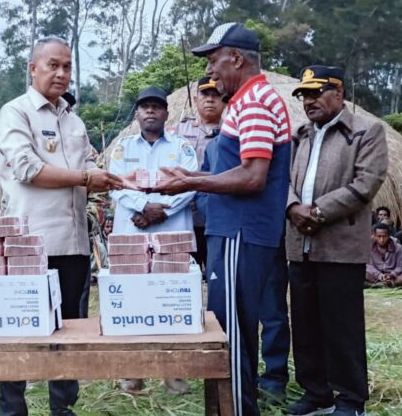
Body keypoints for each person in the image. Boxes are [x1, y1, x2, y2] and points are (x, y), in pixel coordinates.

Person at [146, 23, 292, 416]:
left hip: (241, 233)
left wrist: (192, 181)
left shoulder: (255, 102)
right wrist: (194, 180)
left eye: (213, 60)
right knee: (232, 327)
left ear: (237, 58)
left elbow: (253, 175)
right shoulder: (245, 102)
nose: (209, 71)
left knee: (232, 333)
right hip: (234, 231)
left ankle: (239, 410)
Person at [0, 36, 123, 416]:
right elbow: (29, 169)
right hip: (31, 244)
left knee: (69, 332)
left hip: (74, 244)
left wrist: (112, 177)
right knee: (20, 328)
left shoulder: (76, 120)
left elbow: (91, 166)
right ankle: (12, 408)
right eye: (53, 65)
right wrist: (85, 178)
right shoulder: (15, 112)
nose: (62, 73)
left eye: (67, 66)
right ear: (33, 69)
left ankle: (62, 408)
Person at [285, 65, 388, 416]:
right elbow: (282, 182)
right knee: (305, 323)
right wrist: (292, 207)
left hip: (340, 246)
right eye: (304, 95)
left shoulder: (365, 131)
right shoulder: (299, 135)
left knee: (341, 326)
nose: (309, 100)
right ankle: (316, 392)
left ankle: (350, 398)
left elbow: (366, 183)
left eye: (316, 93)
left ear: (339, 93)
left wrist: (316, 212)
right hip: (300, 245)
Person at [109, 85, 198, 394]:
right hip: (132, 232)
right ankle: (132, 376)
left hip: (169, 233)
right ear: (137, 113)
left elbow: (191, 184)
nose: (150, 111)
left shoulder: (182, 147)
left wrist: (163, 210)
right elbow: (114, 184)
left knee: (171, 300)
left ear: (166, 112)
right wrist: (141, 207)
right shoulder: (122, 148)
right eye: (145, 106)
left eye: (156, 106)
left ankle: (174, 377)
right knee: (132, 303)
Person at [177, 76, 225, 268]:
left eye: (216, 95)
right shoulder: (177, 131)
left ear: (225, 99)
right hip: (185, 215)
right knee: (186, 276)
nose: (210, 99)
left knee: (218, 272)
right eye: (205, 94)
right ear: (196, 99)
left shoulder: (232, 131)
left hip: (217, 215)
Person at [365, 222, 402, 287]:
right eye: (379, 236)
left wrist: (391, 274)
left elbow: (400, 266)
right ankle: (377, 285)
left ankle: (391, 284)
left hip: (393, 277)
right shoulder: (369, 247)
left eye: (384, 236)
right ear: (374, 235)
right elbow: (369, 266)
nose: (382, 240)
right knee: (361, 272)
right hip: (374, 276)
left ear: (389, 235)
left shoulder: (398, 247)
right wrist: (380, 275)